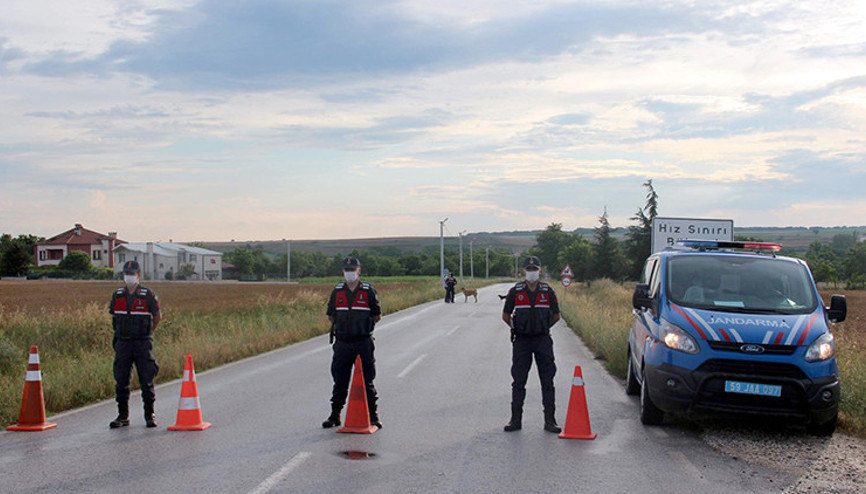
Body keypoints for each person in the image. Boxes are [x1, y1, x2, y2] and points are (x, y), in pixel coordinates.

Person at [501, 255, 562, 433]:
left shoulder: (548, 291)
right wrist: (517, 327)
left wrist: (542, 327)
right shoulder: (516, 291)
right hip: (522, 341)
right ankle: (515, 420)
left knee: (547, 381)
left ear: (540, 271)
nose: (532, 272)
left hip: (542, 340)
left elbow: (557, 316)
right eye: (529, 270)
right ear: (524, 271)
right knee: (518, 381)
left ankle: (550, 421)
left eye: (535, 269)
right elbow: (505, 316)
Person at [322, 257, 383, 428]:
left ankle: (373, 416)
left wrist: (363, 327)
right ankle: (335, 415)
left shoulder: (368, 291)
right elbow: (330, 315)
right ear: (343, 272)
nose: (350, 273)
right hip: (342, 343)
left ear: (359, 271)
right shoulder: (337, 292)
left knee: (367, 380)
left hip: (363, 342)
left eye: (353, 270)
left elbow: (377, 315)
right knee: (340, 380)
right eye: (347, 270)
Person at [108, 260, 161, 428]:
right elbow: (114, 317)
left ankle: (149, 415)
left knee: (146, 380)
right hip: (123, 343)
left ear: (139, 275)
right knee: (121, 380)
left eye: (132, 274)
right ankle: (122, 416)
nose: (129, 277)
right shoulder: (118, 295)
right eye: (126, 274)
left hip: (142, 343)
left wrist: (149, 333)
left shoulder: (148, 295)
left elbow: (158, 316)